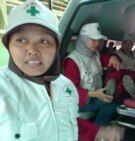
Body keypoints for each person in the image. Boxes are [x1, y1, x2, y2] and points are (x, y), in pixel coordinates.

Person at [0, 1, 124, 141]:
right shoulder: (3, 90)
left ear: (56, 47)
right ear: (8, 44)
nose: (33, 50)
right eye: (21, 40)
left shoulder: (64, 86)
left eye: (44, 41)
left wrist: (98, 132)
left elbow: (66, 122)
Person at [63, 23, 120, 126]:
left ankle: (96, 132)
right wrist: (94, 94)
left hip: (96, 94)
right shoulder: (73, 60)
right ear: (83, 39)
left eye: (98, 40)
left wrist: (113, 58)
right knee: (109, 103)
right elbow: (70, 90)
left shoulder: (95, 54)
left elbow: (106, 59)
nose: (97, 43)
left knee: (114, 103)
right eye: (93, 40)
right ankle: (96, 133)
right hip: (79, 100)